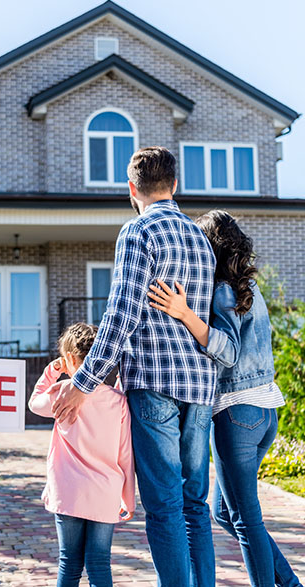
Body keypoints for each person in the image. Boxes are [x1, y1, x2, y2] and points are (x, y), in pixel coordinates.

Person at [50, 147, 217, 587]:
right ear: (175, 185)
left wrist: (83, 382)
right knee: (194, 506)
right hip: (200, 387)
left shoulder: (138, 230)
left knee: (164, 507)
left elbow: (121, 313)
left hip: (156, 386)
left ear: (132, 189)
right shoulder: (202, 239)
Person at [148, 210, 303, 587]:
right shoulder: (251, 288)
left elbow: (229, 351)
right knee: (222, 511)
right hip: (265, 414)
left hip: (237, 414)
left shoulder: (221, 290)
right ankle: (288, 582)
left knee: (248, 521)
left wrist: (185, 314)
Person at [29, 322, 135, 587]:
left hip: (68, 491)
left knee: (70, 561)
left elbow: (34, 402)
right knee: (99, 562)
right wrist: (128, 499)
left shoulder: (60, 393)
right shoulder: (118, 401)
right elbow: (125, 456)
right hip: (105, 492)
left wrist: (52, 372)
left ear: (68, 360)